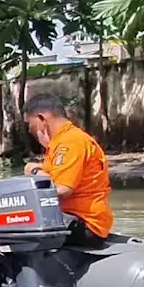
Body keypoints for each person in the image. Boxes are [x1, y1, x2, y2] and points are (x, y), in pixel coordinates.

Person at [22, 93, 114, 247]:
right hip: (71, 218)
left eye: (29, 123)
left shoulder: (70, 142)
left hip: (83, 222)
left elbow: (63, 189)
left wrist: (34, 171)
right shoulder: (60, 142)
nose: (29, 130)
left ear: (41, 119)